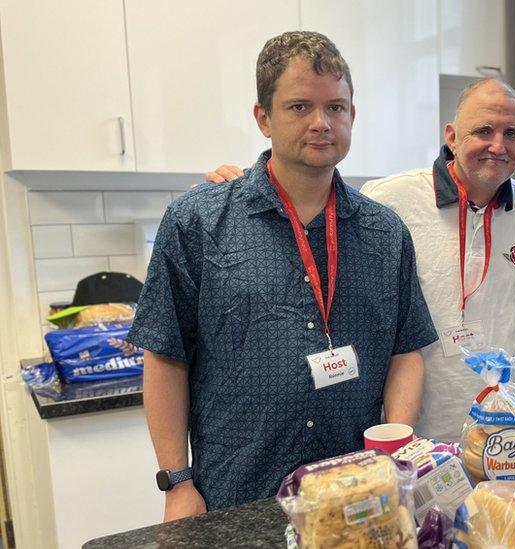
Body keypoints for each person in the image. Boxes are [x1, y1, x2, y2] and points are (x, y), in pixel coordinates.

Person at [128, 31, 437, 521]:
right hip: (236, 495)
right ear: (263, 117)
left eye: (336, 107)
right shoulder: (198, 223)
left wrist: (394, 456)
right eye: (299, 107)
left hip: (356, 497)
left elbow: (406, 349)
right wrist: (177, 482)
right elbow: (165, 357)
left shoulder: (386, 233)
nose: (321, 123)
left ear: (352, 115)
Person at [207, 78, 515, 444]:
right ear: (452, 136)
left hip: (508, 432)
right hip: (420, 435)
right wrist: (242, 189)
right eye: (484, 130)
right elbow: (307, 230)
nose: (498, 145)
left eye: (512, 133)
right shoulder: (389, 199)